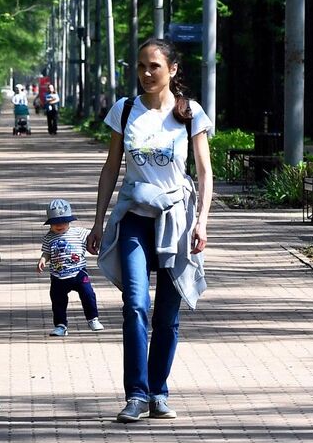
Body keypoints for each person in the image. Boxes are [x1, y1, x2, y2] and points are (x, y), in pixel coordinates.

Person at [85, 38, 214, 423]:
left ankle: (159, 391)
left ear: (172, 69)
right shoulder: (125, 111)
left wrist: (202, 220)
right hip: (135, 219)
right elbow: (111, 168)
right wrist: (97, 221)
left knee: (167, 316)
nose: (145, 73)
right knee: (136, 304)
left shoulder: (189, 113)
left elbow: (204, 171)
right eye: (141, 66)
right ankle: (136, 394)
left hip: (177, 220)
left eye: (154, 66)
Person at [38, 198, 103, 336]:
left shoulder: (79, 233)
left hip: (79, 273)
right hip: (58, 276)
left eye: (63, 221)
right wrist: (43, 260)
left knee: (88, 294)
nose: (59, 225)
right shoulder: (49, 237)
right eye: (55, 223)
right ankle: (61, 325)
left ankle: (93, 318)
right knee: (57, 301)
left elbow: (94, 237)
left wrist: (100, 245)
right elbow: (47, 252)